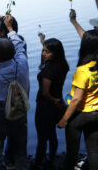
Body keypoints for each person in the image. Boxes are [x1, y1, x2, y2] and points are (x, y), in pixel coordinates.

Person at [0, 15, 30, 170]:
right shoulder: (22, 64)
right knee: (20, 149)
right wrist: (10, 28)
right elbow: (19, 46)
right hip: (19, 112)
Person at [57, 30, 98, 170]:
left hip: (80, 114)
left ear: (87, 47)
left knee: (72, 149)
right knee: (93, 149)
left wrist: (65, 119)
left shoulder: (83, 71)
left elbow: (77, 99)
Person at [34, 34, 69, 169]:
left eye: (47, 52)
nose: (43, 54)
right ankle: (51, 159)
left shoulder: (48, 70)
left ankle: (38, 162)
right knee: (52, 134)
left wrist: (54, 100)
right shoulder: (63, 65)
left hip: (45, 106)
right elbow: (48, 58)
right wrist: (43, 41)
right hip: (57, 104)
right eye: (43, 50)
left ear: (55, 53)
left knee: (42, 137)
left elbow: (45, 92)